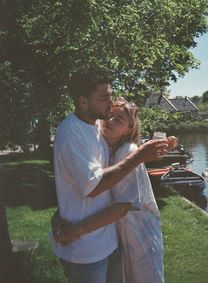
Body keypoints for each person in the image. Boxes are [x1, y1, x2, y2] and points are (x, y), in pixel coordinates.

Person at [50, 64, 172, 283]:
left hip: (110, 241)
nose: (111, 104)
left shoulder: (96, 125)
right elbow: (93, 186)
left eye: (111, 95)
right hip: (86, 250)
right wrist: (140, 156)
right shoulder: (72, 131)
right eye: (104, 98)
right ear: (83, 101)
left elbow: (124, 137)